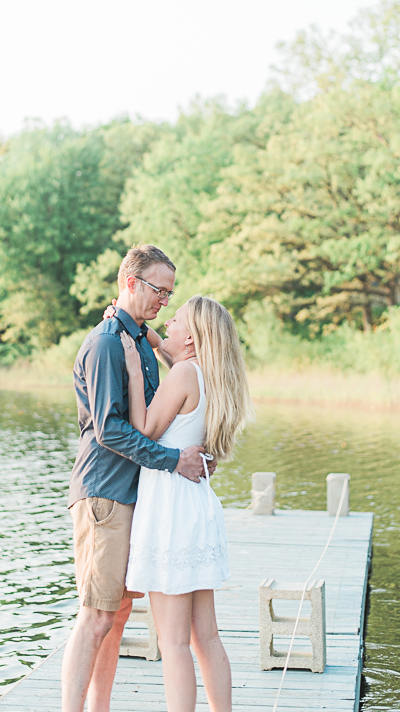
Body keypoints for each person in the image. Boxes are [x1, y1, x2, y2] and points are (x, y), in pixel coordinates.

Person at [60, 244, 210, 712]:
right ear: (130, 282)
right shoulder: (108, 343)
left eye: (170, 294)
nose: (164, 301)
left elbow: (164, 401)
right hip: (104, 494)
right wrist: (173, 460)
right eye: (157, 290)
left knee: (118, 614)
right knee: (96, 615)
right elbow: (109, 430)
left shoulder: (138, 340)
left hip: (131, 494)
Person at [119, 295, 253, 712]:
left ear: (191, 338)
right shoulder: (211, 376)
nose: (167, 326)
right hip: (195, 508)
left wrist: (132, 373)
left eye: (174, 321)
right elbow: (169, 345)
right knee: (205, 636)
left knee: (173, 642)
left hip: (171, 511)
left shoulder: (181, 376)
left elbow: (143, 430)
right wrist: (138, 329)